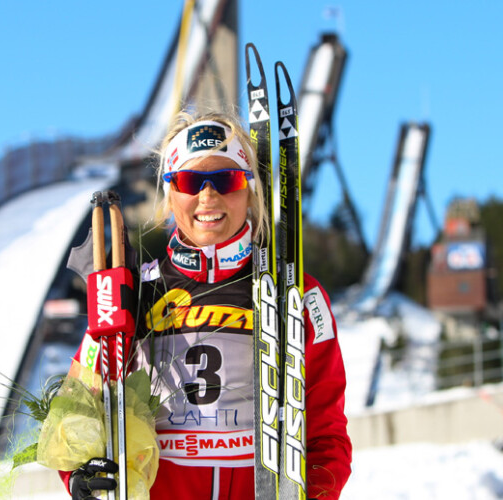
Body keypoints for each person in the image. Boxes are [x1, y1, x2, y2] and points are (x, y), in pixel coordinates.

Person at [61, 111, 352, 499]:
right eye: (190, 181)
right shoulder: (129, 292)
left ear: (249, 190)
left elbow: (325, 435)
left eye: (226, 179)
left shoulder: (296, 294)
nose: (208, 196)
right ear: (170, 193)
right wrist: (78, 473)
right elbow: (77, 407)